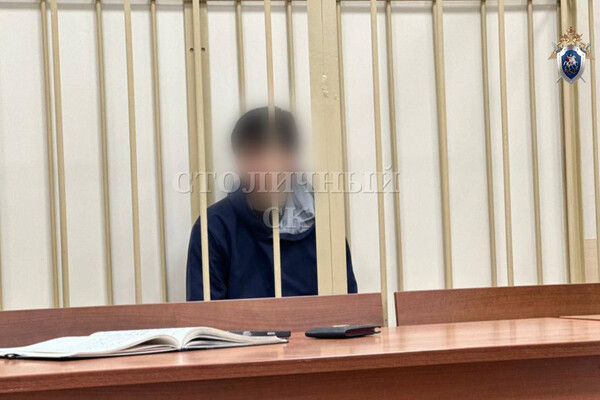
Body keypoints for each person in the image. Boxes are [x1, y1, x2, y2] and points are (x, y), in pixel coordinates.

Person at [186, 107, 357, 300]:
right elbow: (203, 315)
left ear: (292, 159)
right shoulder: (213, 228)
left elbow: (347, 310)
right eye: (249, 155)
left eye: (269, 153)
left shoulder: (324, 224)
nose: (260, 167)